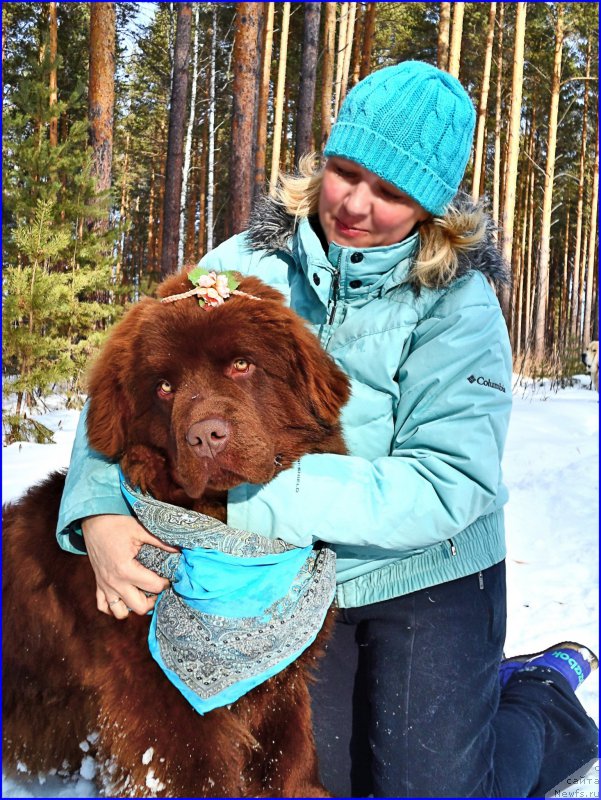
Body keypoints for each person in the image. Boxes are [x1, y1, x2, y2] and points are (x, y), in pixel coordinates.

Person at [57, 61, 598, 797]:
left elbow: (451, 482)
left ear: (432, 209)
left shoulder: (456, 304)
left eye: (391, 193)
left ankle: (541, 702)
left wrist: (255, 495)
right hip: (295, 575)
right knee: (310, 780)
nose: (356, 205)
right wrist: (95, 509)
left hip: (432, 571)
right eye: (347, 173)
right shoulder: (240, 266)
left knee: (432, 790)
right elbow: (126, 381)